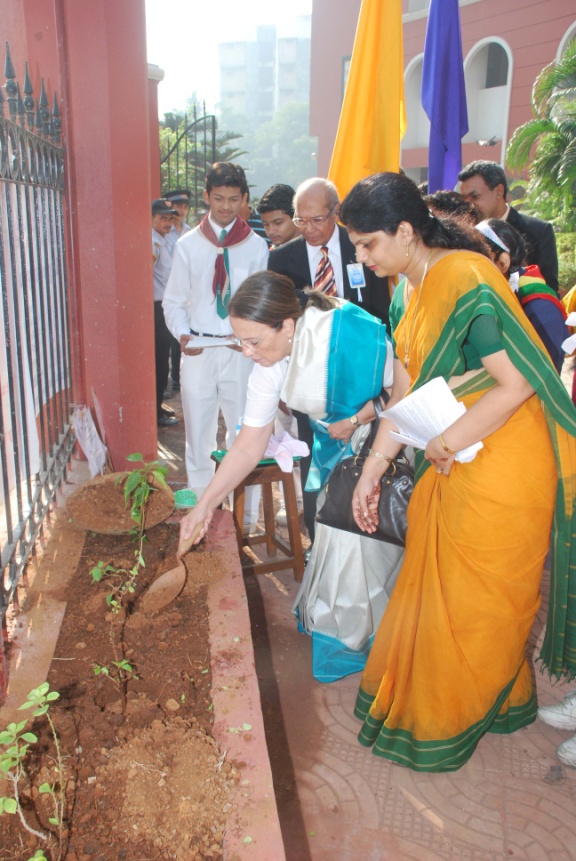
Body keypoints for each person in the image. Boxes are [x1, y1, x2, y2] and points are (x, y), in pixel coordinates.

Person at [338, 171, 576, 773]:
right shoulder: (406, 290)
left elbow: (517, 383)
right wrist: (374, 467)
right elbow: (406, 391)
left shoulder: (466, 277)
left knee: (481, 599)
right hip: (454, 451)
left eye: (367, 244)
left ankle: (449, 717)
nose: (362, 259)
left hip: (503, 457)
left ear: (405, 231)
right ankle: (492, 702)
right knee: (442, 593)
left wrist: (443, 443)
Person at [177, 271, 404, 681]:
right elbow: (248, 445)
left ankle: (367, 641)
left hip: (385, 442)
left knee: (360, 547)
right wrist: (205, 505)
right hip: (331, 447)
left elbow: (403, 387)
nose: (247, 352)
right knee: (331, 536)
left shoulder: (347, 333)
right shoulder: (270, 362)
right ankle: (343, 628)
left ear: (287, 325)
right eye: (240, 342)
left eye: (253, 341)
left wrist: (358, 419)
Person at [268, 177, 393, 548]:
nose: (308, 229)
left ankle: (365, 538)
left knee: (367, 454)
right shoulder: (282, 258)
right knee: (315, 461)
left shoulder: (361, 246)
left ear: (336, 212)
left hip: (364, 375)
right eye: (300, 220)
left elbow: (382, 310)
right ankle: (318, 539)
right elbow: (281, 327)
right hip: (312, 383)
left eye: (317, 220)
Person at [163, 162, 269, 534]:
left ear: (244, 199)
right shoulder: (188, 245)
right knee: (198, 434)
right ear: (206, 196)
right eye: (219, 198)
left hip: (242, 352)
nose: (226, 206)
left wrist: (253, 339)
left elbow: (262, 302)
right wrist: (183, 335)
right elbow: (173, 301)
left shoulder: (256, 246)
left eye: (234, 199)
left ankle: (246, 517)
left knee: (244, 432)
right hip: (199, 351)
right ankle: (200, 513)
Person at [256, 183, 303, 525]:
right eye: (267, 224)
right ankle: (296, 499)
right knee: (286, 433)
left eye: (279, 222)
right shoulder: (275, 258)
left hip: (313, 358)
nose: (272, 231)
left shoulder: (313, 256)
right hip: (284, 360)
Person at [474, 218, 567, 372]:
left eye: (477, 263)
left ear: (503, 262)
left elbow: (545, 375)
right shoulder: (498, 295)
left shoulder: (542, 310)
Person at [458, 160, 559, 292]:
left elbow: (549, 290)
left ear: (499, 191)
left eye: (474, 196)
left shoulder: (538, 231)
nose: (468, 205)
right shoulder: (462, 233)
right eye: (464, 199)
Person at [151, 198, 180, 428]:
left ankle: (158, 405)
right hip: (157, 306)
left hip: (164, 305)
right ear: (151, 218)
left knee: (163, 359)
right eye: (163, 218)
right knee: (160, 360)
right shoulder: (153, 243)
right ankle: (155, 411)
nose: (168, 222)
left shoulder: (163, 240)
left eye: (170, 218)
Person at [164, 188, 193, 393]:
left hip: (186, 292)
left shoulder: (190, 233)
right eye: (177, 206)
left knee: (181, 338)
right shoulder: (163, 233)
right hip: (166, 291)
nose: (181, 210)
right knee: (165, 339)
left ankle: (177, 377)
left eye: (184, 206)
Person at [256, 183, 300, 248]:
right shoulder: (268, 252)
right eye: (266, 224)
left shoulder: (313, 250)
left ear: (296, 216)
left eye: (278, 223)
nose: (271, 231)